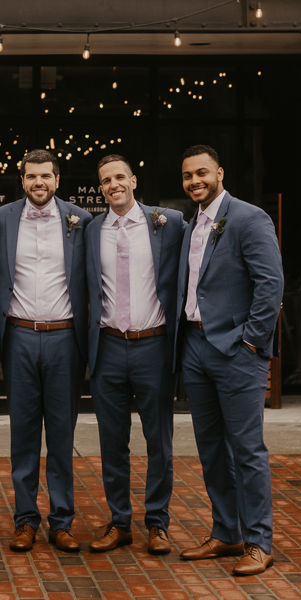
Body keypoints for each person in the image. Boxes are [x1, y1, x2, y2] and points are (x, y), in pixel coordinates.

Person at [175, 145, 284, 577]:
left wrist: (252, 342)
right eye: (187, 176)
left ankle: (259, 542)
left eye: (202, 173)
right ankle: (226, 531)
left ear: (219, 172)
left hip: (237, 351)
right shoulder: (190, 224)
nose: (194, 181)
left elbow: (270, 284)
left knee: (247, 449)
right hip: (196, 347)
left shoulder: (248, 217)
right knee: (211, 449)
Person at [0, 149, 91, 553]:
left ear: (57, 179)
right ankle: (25, 520)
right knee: (24, 434)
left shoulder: (80, 222)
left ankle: (62, 521)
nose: (38, 183)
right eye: (31, 176)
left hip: (65, 337)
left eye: (45, 176)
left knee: (62, 434)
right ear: (22, 179)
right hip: (19, 337)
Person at [85, 154, 185, 555]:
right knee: (112, 441)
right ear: (101, 187)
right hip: (108, 346)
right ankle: (120, 521)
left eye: (119, 177)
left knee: (158, 440)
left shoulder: (168, 223)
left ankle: (157, 522)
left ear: (133, 180)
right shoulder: (92, 230)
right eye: (106, 180)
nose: (113, 185)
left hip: (153, 345)